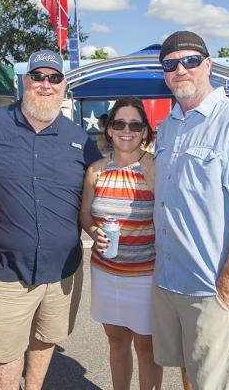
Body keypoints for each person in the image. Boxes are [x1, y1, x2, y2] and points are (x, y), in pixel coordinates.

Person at [151, 31, 229, 390]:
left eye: (190, 61)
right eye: (171, 65)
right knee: (188, 371)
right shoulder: (168, 126)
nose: (181, 70)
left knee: (213, 383)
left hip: (209, 287)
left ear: (207, 65)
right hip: (168, 280)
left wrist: (225, 289)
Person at [0, 50, 101, 390]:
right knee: (4, 351)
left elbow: (103, 186)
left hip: (63, 269)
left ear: (63, 86)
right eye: (38, 76)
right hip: (5, 268)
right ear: (25, 80)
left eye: (54, 78)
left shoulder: (80, 139)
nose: (45, 84)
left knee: (47, 336)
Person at [80, 97, 162, 390]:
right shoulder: (96, 170)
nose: (127, 130)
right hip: (105, 273)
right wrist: (93, 230)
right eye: (119, 123)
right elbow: (85, 213)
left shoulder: (154, 167)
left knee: (147, 348)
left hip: (145, 276)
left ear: (144, 132)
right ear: (110, 130)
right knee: (116, 342)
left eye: (135, 125)